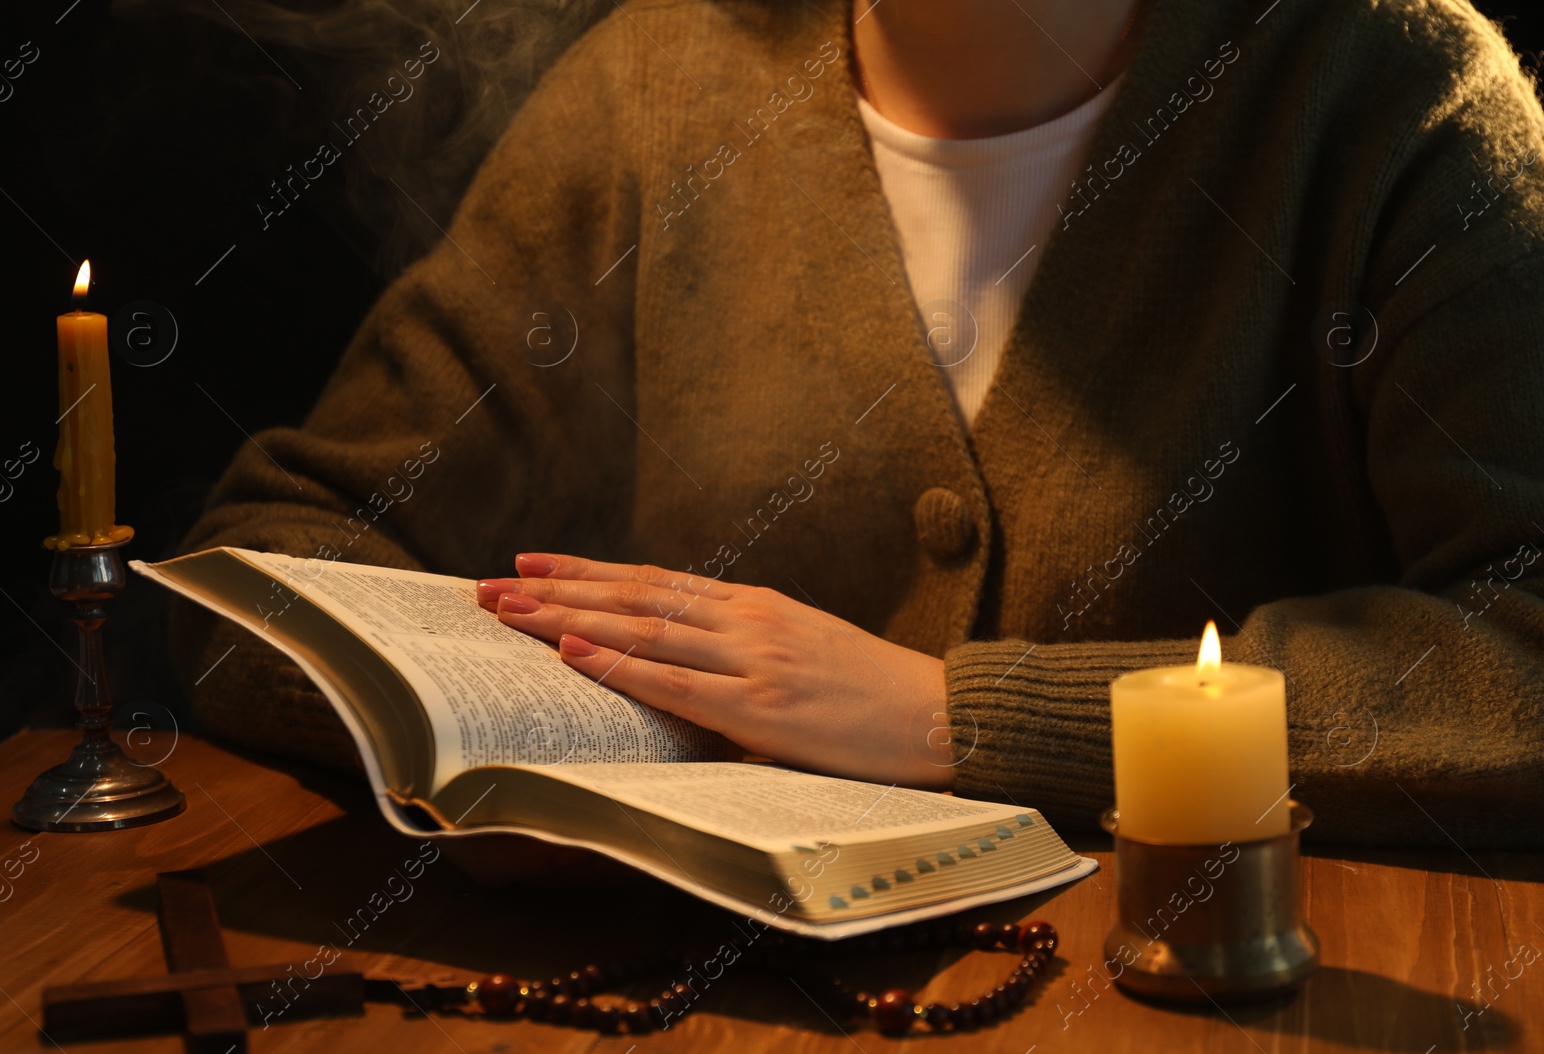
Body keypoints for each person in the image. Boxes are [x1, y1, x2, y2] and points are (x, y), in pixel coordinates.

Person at [172, 0, 1544, 855]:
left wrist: (948, 718)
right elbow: (270, 564)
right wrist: (557, 710)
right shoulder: (655, 88)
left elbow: (1523, 652)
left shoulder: (1389, 89)